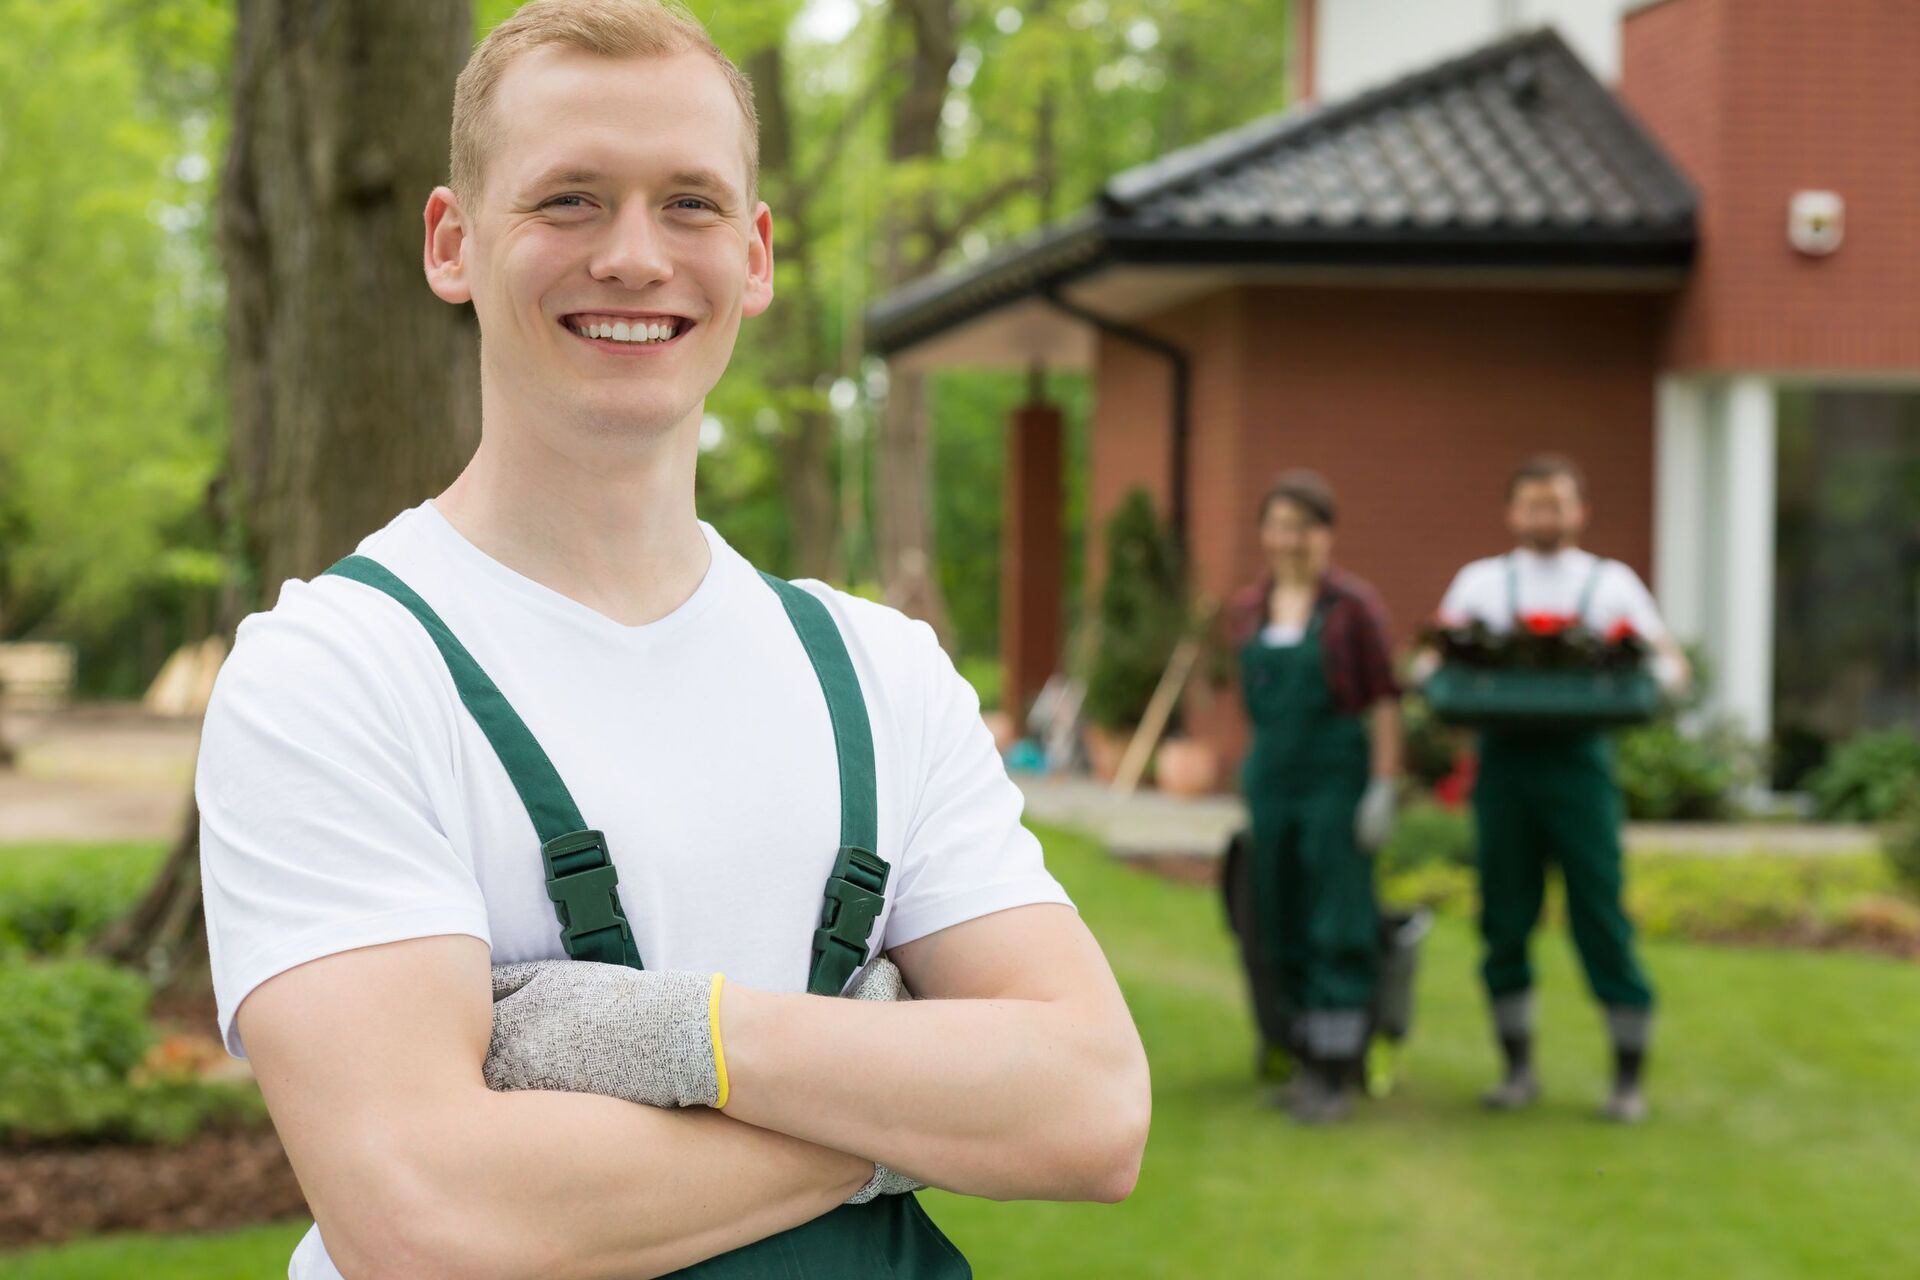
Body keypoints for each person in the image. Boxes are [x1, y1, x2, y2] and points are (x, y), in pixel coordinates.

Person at [193, 4, 1150, 1277]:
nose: (636, 257)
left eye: (690, 204)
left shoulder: (879, 672)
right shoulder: (337, 670)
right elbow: (425, 1215)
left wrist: (675, 1034)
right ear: (452, 243)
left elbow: (1093, 1105)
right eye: (570, 201)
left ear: (754, 256)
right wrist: (912, 1104)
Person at [1425, 453, 1690, 1124]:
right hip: (1505, 767)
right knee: (1504, 914)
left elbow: (1668, 665)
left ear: (1581, 511)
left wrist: (1647, 680)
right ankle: (1517, 1070)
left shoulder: (1610, 585)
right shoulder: (1482, 584)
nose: (1547, 516)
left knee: (1599, 909)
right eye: (1534, 504)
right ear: (1513, 513)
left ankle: (1627, 1076)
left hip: (1580, 765)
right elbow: (1434, 660)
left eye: (1558, 504)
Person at [1224, 469, 1403, 1124]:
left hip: (1335, 783)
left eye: (1303, 526)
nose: (1289, 539)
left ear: (1326, 534)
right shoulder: (1249, 609)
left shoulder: (1354, 608)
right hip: (1272, 784)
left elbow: (1385, 699)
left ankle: (1336, 1071)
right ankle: (1301, 1055)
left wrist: (1382, 785)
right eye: (1278, 525)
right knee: (1281, 915)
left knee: (1336, 920)